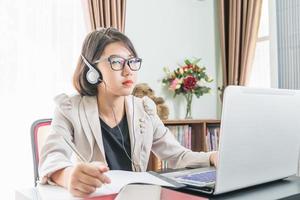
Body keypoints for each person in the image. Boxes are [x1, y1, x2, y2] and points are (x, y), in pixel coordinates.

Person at [39, 27, 218, 197]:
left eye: (132, 61)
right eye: (116, 61)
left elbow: (177, 156)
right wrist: (68, 176)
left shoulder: (145, 110)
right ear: (92, 70)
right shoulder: (70, 109)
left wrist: (212, 157)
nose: (128, 71)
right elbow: (51, 158)